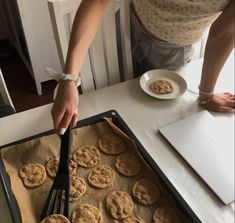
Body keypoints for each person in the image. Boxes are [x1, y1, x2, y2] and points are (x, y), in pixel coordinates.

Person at [51, 0, 234, 135]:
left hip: (171, 54)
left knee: (147, 125)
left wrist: (206, 94)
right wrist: (69, 78)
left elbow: (225, 34)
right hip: (126, 25)